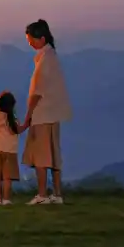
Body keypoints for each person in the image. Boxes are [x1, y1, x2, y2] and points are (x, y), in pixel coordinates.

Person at [21, 19, 73, 205]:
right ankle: (57, 194)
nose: (30, 43)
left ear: (41, 38)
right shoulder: (50, 57)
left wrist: (27, 118)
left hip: (43, 114)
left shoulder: (45, 59)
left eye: (32, 40)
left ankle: (42, 194)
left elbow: (37, 92)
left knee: (42, 156)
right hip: (52, 114)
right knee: (53, 154)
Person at [0, 81, 22, 205]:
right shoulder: (11, 119)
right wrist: (29, 120)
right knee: (7, 177)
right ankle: (6, 199)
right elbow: (19, 129)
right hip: (10, 150)